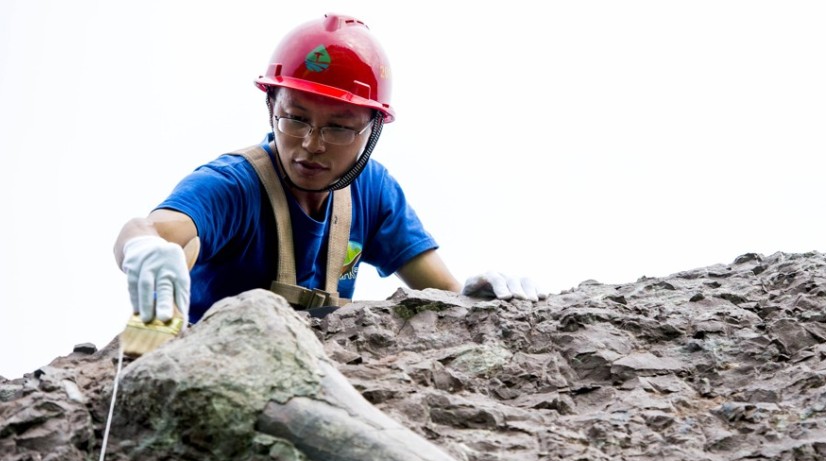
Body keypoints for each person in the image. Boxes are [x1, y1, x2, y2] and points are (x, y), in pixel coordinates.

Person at [113, 13, 543, 327]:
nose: (311, 144)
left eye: (338, 127)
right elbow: (149, 229)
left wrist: (476, 295)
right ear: (272, 108)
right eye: (295, 119)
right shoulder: (233, 186)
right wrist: (143, 249)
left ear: (371, 130)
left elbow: (441, 291)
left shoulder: (372, 190)